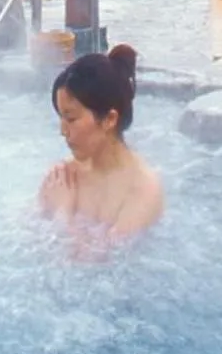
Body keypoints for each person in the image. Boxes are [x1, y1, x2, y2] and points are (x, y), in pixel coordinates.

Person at [38, 44, 165, 242]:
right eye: (61, 118)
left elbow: (103, 262)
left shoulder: (142, 191)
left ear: (109, 119)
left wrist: (63, 213)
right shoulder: (64, 177)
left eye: (71, 119)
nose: (62, 131)